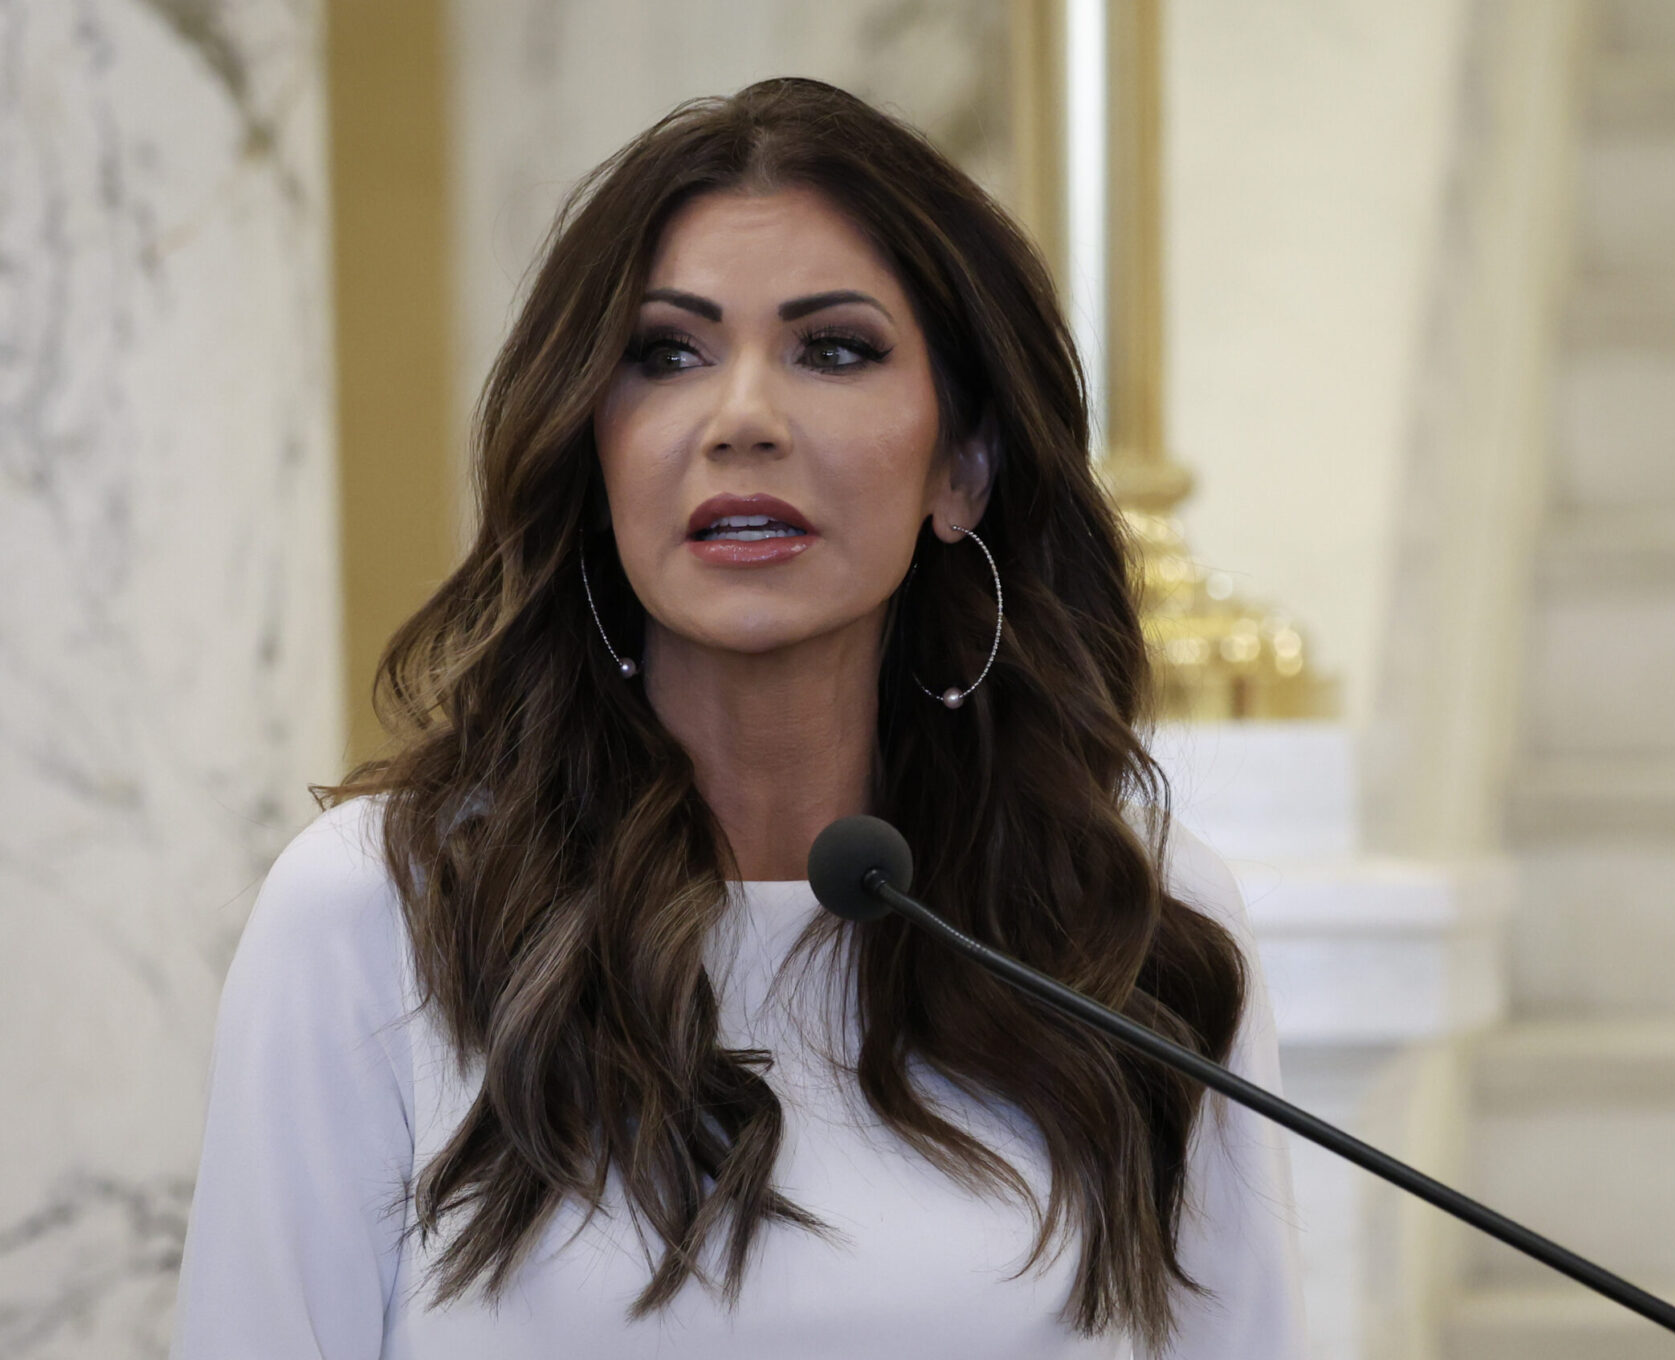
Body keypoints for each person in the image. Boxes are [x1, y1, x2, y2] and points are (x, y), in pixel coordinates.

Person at [170, 77, 1307, 1360]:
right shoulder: (377, 915)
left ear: (961, 467)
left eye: (833, 349)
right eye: (666, 353)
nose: (743, 419)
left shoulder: (1134, 927)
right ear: (592, 452)